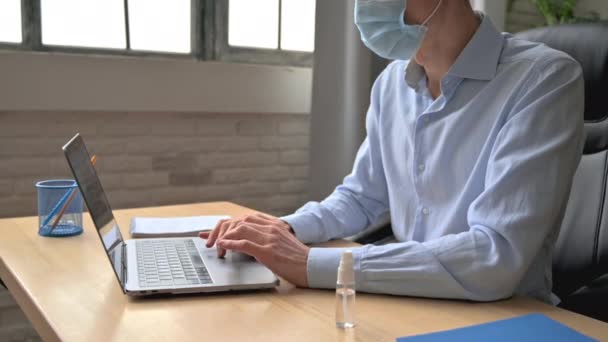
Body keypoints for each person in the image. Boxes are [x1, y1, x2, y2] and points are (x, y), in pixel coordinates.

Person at [200, 0, 584, 304]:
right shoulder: (390, 84)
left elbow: (495, 255)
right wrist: (284, 230)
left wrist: (309, 264)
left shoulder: (544, 79)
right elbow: (362, 197)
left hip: (504, 318)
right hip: (408, 299)